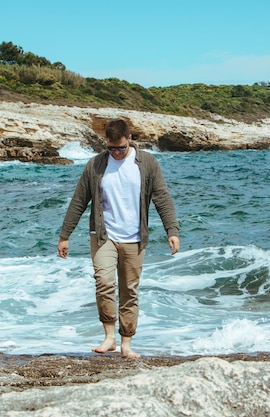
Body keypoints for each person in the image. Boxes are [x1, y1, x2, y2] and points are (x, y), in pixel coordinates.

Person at [58, 118, 180, 359]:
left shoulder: (147, 163)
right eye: (110, 148)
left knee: (129, 291)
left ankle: (126, 342)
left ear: (130, 139)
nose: (115, 153)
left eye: (120, 148)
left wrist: (172, 230)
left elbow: (162, 198)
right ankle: (109, 337)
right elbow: (79, 201)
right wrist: (65, 235)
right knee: (103, 282)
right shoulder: (95, 166)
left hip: (135, 238)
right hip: (104, 236)